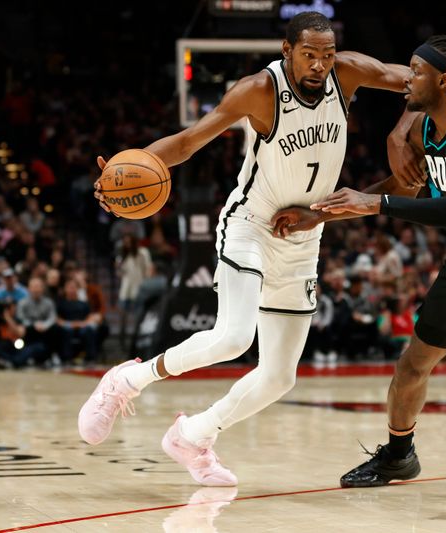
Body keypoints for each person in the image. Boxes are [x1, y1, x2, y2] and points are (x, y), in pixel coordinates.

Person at [79, 11, 411, 486]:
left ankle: (193, 435)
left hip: (304, 236)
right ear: (287, 50)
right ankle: (126, 381)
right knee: (234, 337)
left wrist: (425, 113)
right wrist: (126, 168)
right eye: (309, 55)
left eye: (327, 55)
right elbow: (191, 141)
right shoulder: (258, 90)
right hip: (251, 225)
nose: (319, 65)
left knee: (279, 377)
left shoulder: (349, 73)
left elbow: (415, 83)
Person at [273, 35, 446, 514]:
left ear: (444, 79)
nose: (407, 78)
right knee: (412, 365)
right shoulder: (425, 125)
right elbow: (396, 187)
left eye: (415, 71)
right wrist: (320, 213)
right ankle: (399, 454)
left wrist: (378, 203)